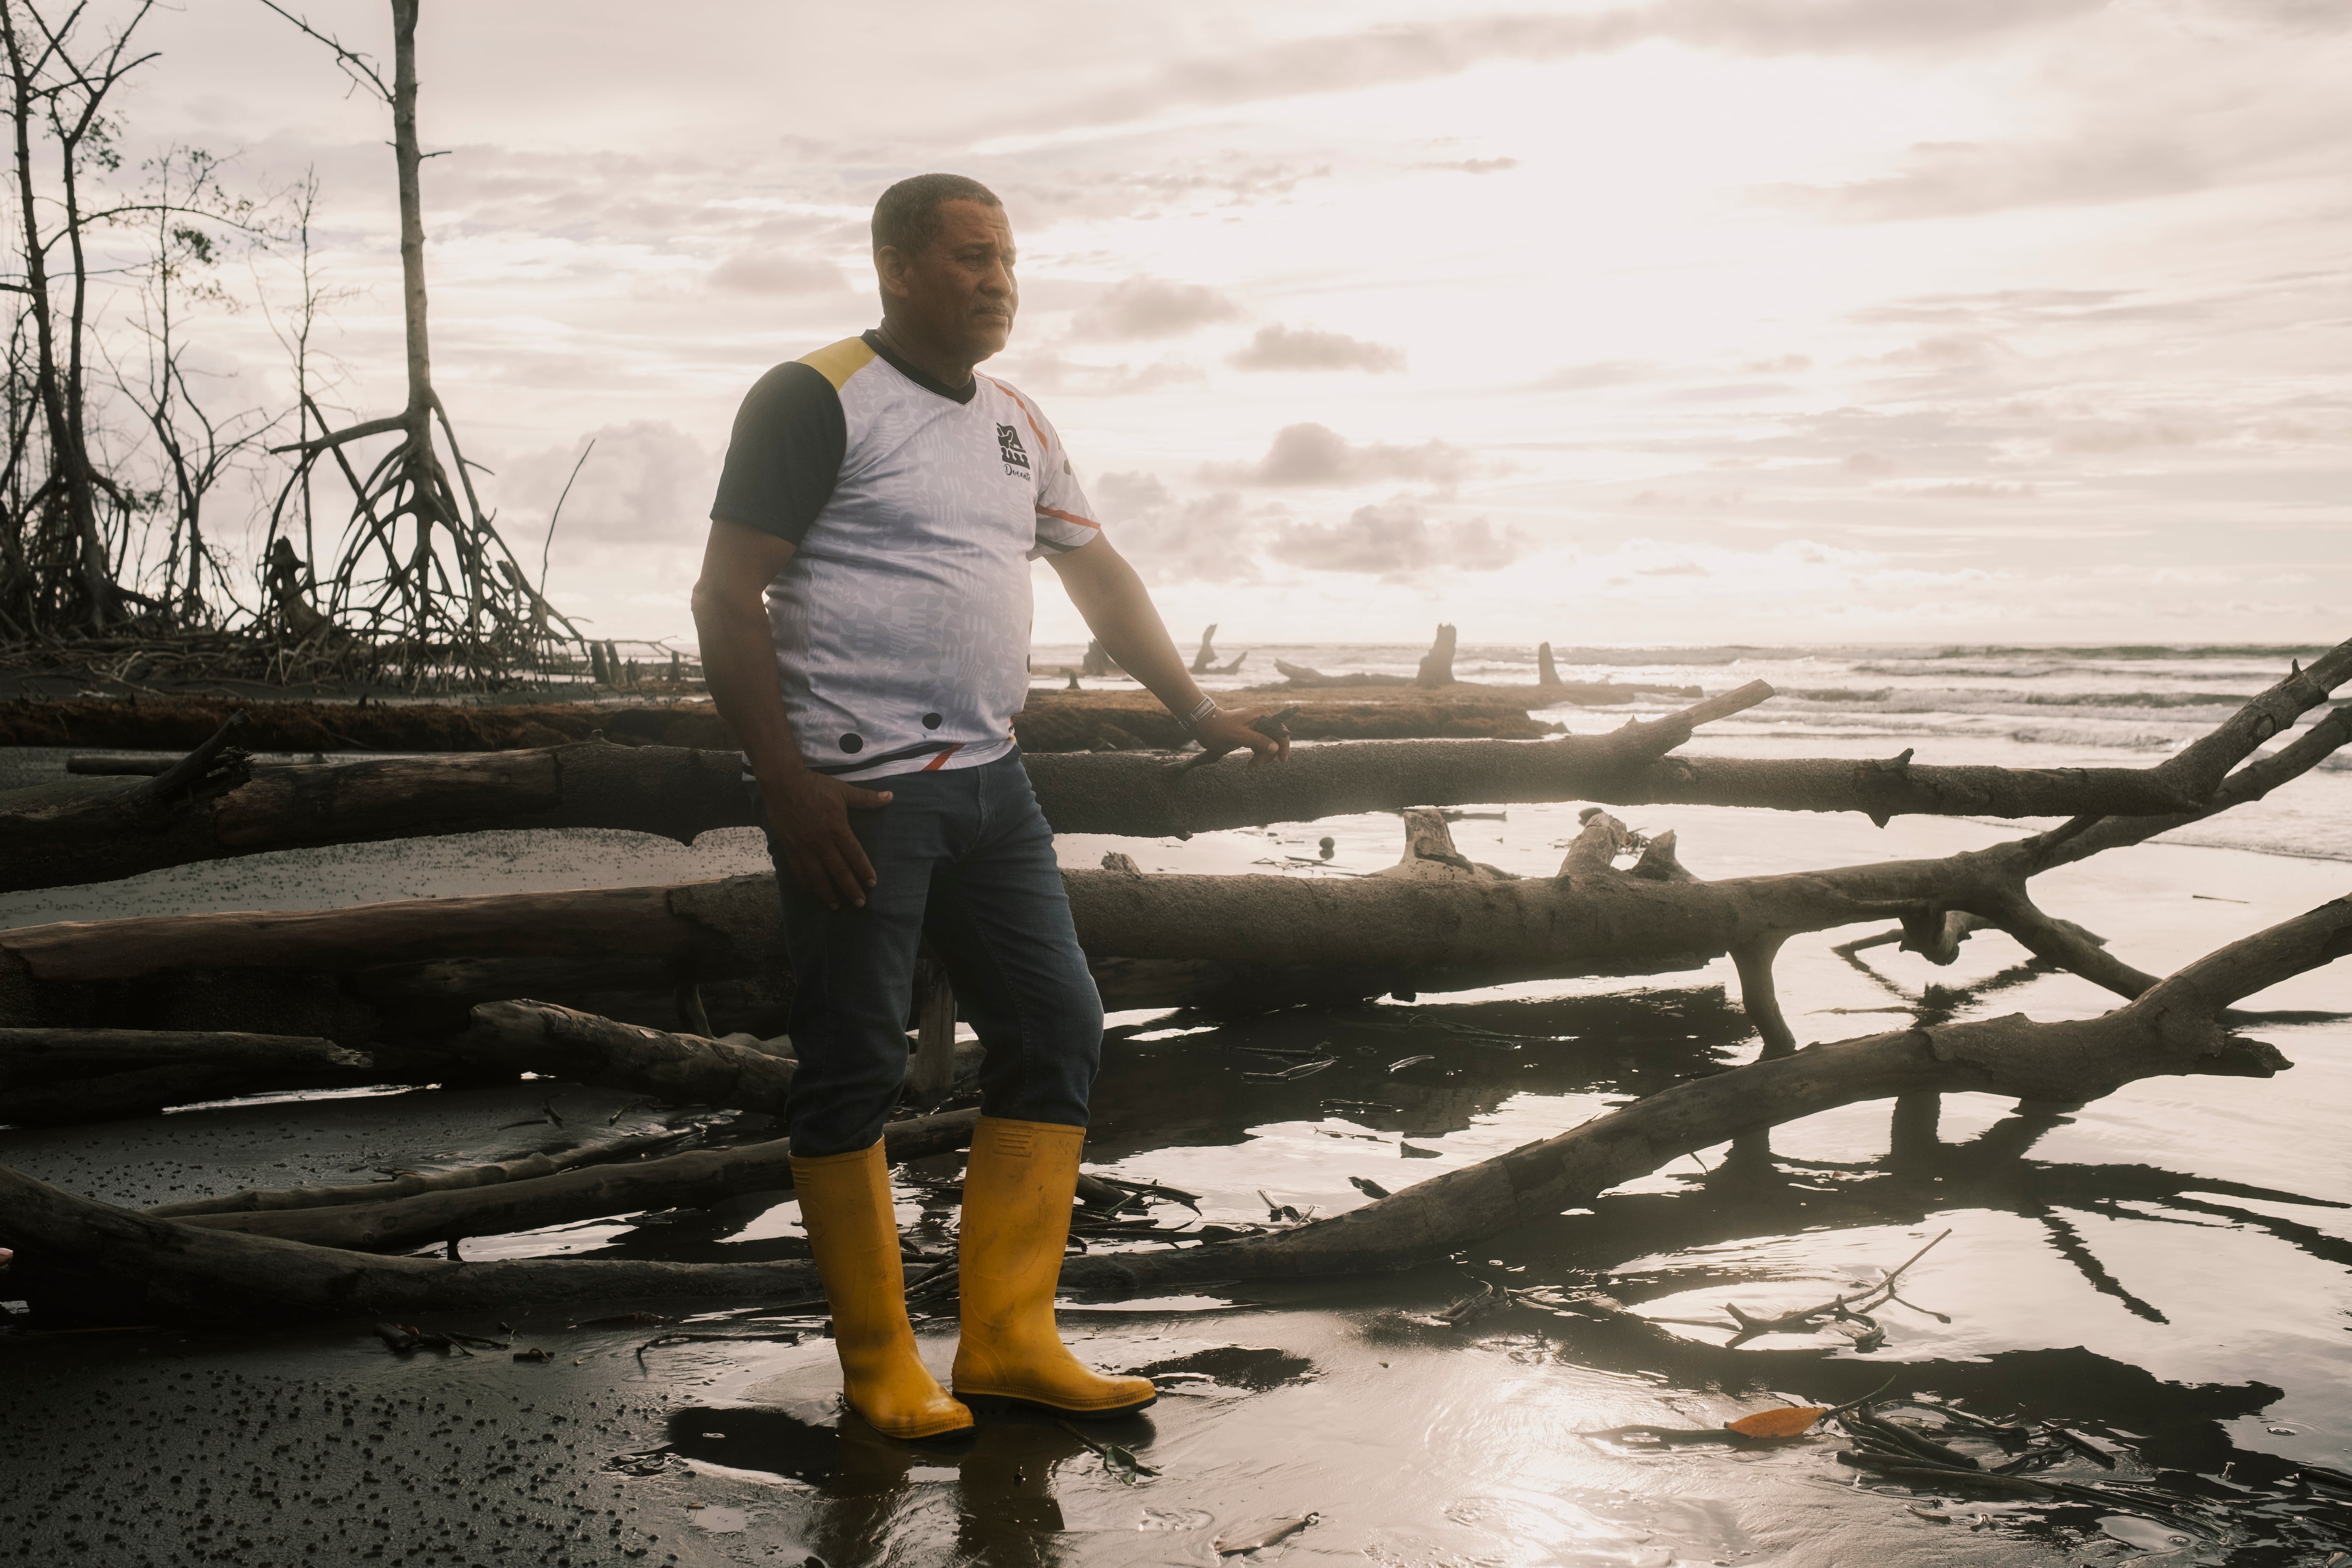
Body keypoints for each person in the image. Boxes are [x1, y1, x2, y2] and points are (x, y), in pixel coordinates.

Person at [690, 173, 1288, 1441]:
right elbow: (723, 595)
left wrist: (1198, 712)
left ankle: (1011, 1341)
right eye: (972, 257)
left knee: (1060, 1025)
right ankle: (880, 1366)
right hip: (859, 791)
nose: (1001, 280)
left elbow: (1100, 575)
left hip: (990, 785)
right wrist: (784, 784)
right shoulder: (815, 396)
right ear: (900, 263)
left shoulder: (1017, 419)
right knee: (856, 1059)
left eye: (1009, 258)